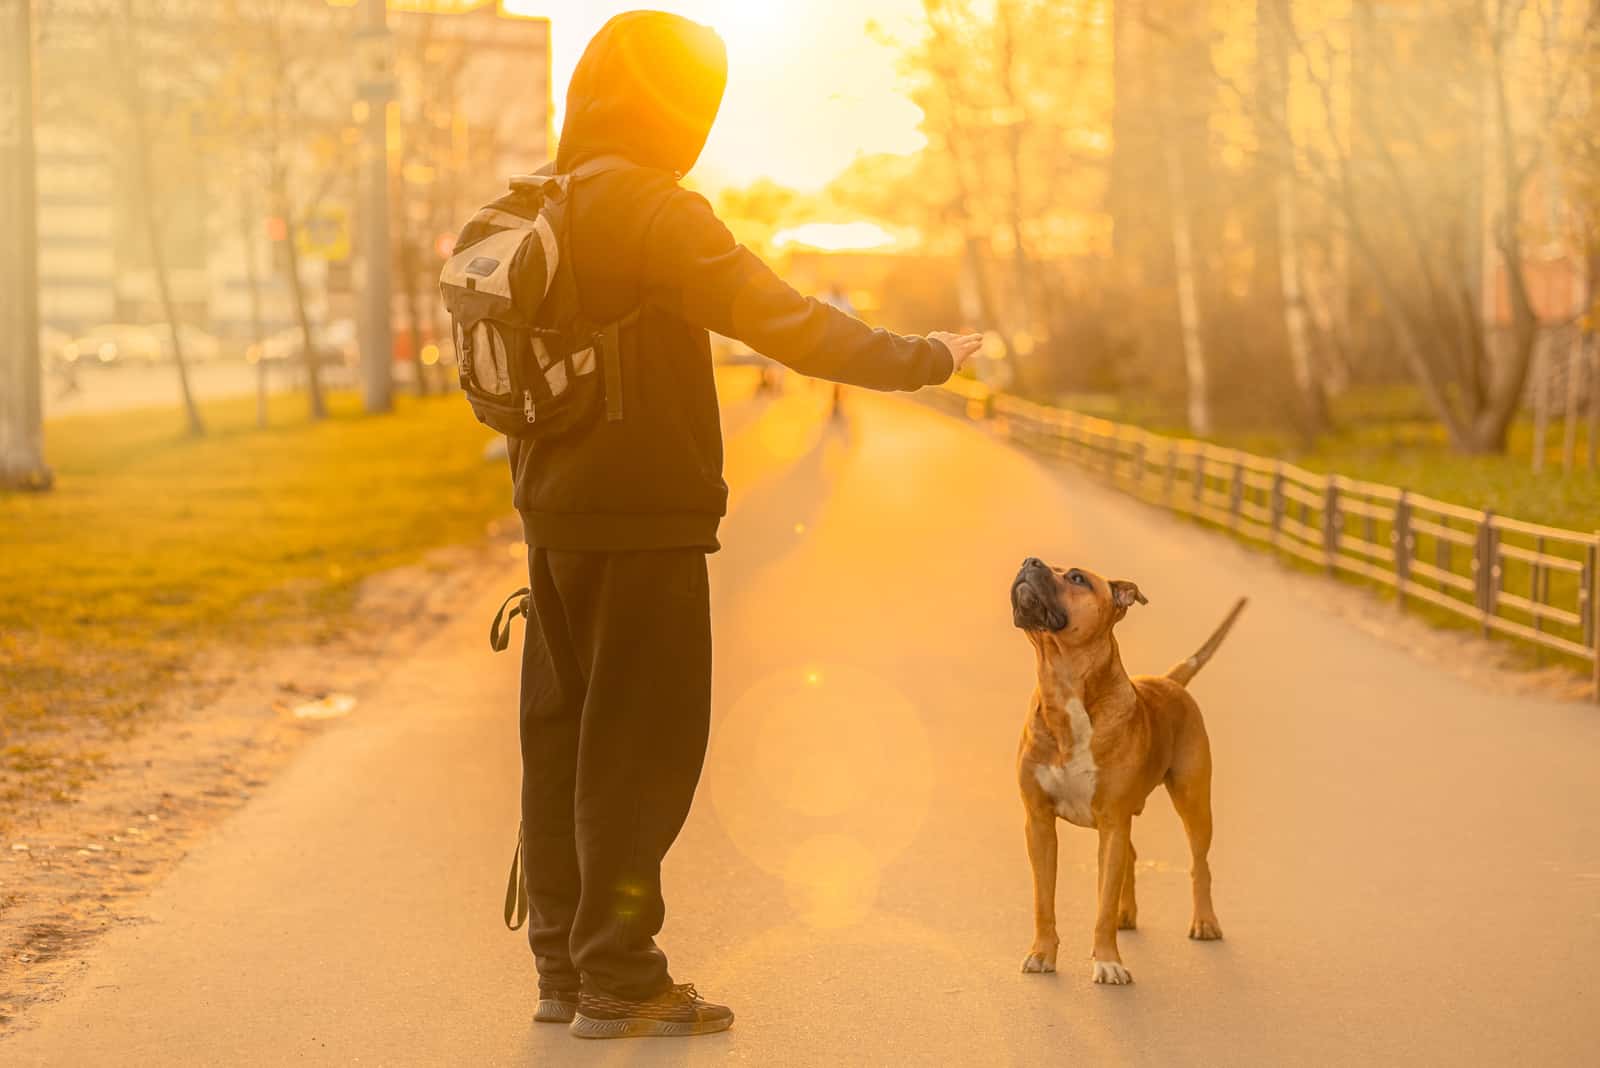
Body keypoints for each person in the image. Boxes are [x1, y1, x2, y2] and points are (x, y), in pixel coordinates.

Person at [512, 11, 982, 1040]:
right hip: (645, 519)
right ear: (670, 105)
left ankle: (563, 968)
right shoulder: (655, 211)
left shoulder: (537, 201)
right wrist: (929, 357)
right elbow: (786, 322)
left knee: (561, 740)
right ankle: (621, 979)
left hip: (550, 512)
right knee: (637, 750)